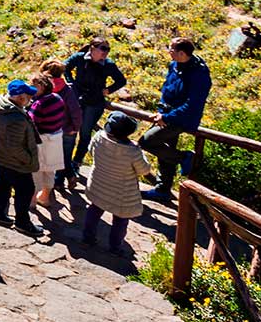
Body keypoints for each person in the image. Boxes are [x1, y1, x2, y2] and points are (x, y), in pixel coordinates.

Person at [141, 38, 212, 197]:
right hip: (166, 114)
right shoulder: (174, 65)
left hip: (181, 118)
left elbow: (193, 104)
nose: (168, 51)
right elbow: (168, 89)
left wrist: (167, 117)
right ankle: (163, 189)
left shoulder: (199, 74)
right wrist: (161, 111)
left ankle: (185, 157)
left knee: (147, 141)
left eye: (171, 49)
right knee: (165, 151)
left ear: (181, 53)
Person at [83, 113, 154, 254]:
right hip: (121, 192)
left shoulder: (98, 137)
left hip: (99, 183)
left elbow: (91, 151)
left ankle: (87, 237)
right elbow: (144, 170)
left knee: (94, 210)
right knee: (120, 220)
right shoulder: (132, 151)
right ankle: (115, 247)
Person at [0, 80, 44, 237]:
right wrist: (29, 159)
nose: (30, 99)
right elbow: (15, 147)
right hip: (16, 162)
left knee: (1, 184)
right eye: (28, 97)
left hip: (1, 156)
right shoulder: (16, 120)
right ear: (20, 98)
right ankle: (22, 223)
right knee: (26, 190)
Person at [64, 38, 126, 178]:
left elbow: (121, 80)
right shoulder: (80, 58)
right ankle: (66, 165)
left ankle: (76, 162)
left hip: (94, 102)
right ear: (92, 48)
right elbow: (65, 68)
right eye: (103, 49)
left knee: (85, 133)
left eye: (107, 50)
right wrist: (71, 84)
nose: (105, 53)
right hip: (77, 100)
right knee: (71, 131)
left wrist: (109, 90)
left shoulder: (108, 65)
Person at [29, 63, 72, 216]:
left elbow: (31, 123)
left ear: (41, 87)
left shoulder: (38, 105)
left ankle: (32, 200)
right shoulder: (57, 98)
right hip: (56, 137)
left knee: (36, 170)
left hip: (42, 139)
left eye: (34, 87)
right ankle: (45, 197)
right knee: (50, 169)